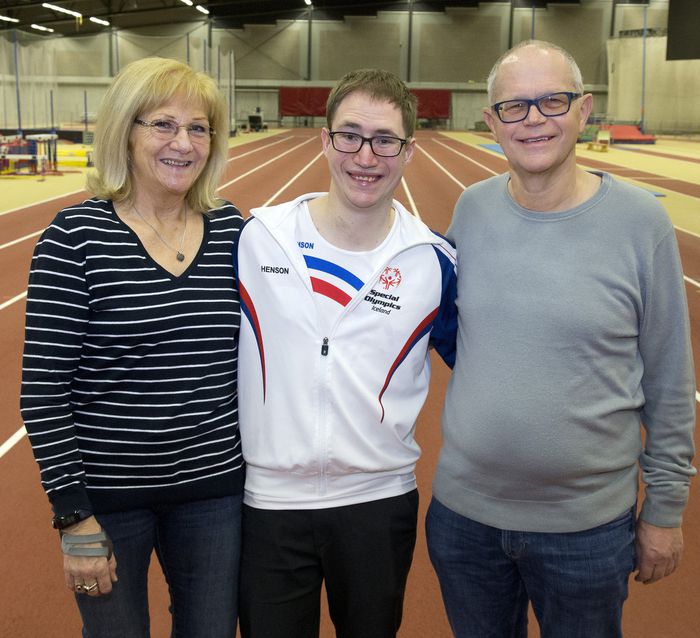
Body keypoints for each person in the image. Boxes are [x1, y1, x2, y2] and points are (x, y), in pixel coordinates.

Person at [426, 40, 696, 637]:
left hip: (588, 532)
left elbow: (671, 377)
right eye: (515, 107)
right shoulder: (471, 210)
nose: (535, 120)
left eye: (553, 100)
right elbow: (447, 327)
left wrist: (665, 509)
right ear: (491, 121)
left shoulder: (640, 224)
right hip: (465, 521)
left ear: (585, 109)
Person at [20, 57, 244, 638]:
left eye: (199, 128)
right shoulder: (75, 239)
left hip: (214, 495)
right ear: (126, 130)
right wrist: (74, 518)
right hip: (108, 503)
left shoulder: (233, 234)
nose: (183, 143)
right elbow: (43, 392)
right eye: (163, 124)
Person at [233, 68, 457, 638]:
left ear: (409, 151)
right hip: (269, 505)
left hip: (377, 504)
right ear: (324, 139)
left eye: (385, 140)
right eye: (350, 135)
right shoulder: (257, 238)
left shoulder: (432, 262)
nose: (366, 155)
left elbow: (487, 368)